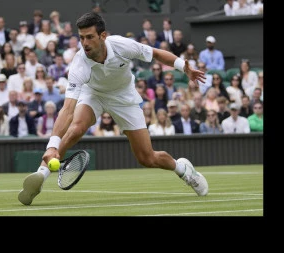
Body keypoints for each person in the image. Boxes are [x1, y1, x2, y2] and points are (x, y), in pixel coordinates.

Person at [18, 12, 208, 206]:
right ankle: (41, 173)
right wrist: (51, 146)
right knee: (76, 128)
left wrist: (183, 67)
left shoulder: (122, 45)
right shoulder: (79, 64)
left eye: (90, 37)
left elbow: (157, 54)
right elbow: (67, 109)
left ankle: (183, 170)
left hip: (124, 97)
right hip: (94, 93)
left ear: (103, 36)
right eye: (81, 37)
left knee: (147, 158)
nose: (85, 43)